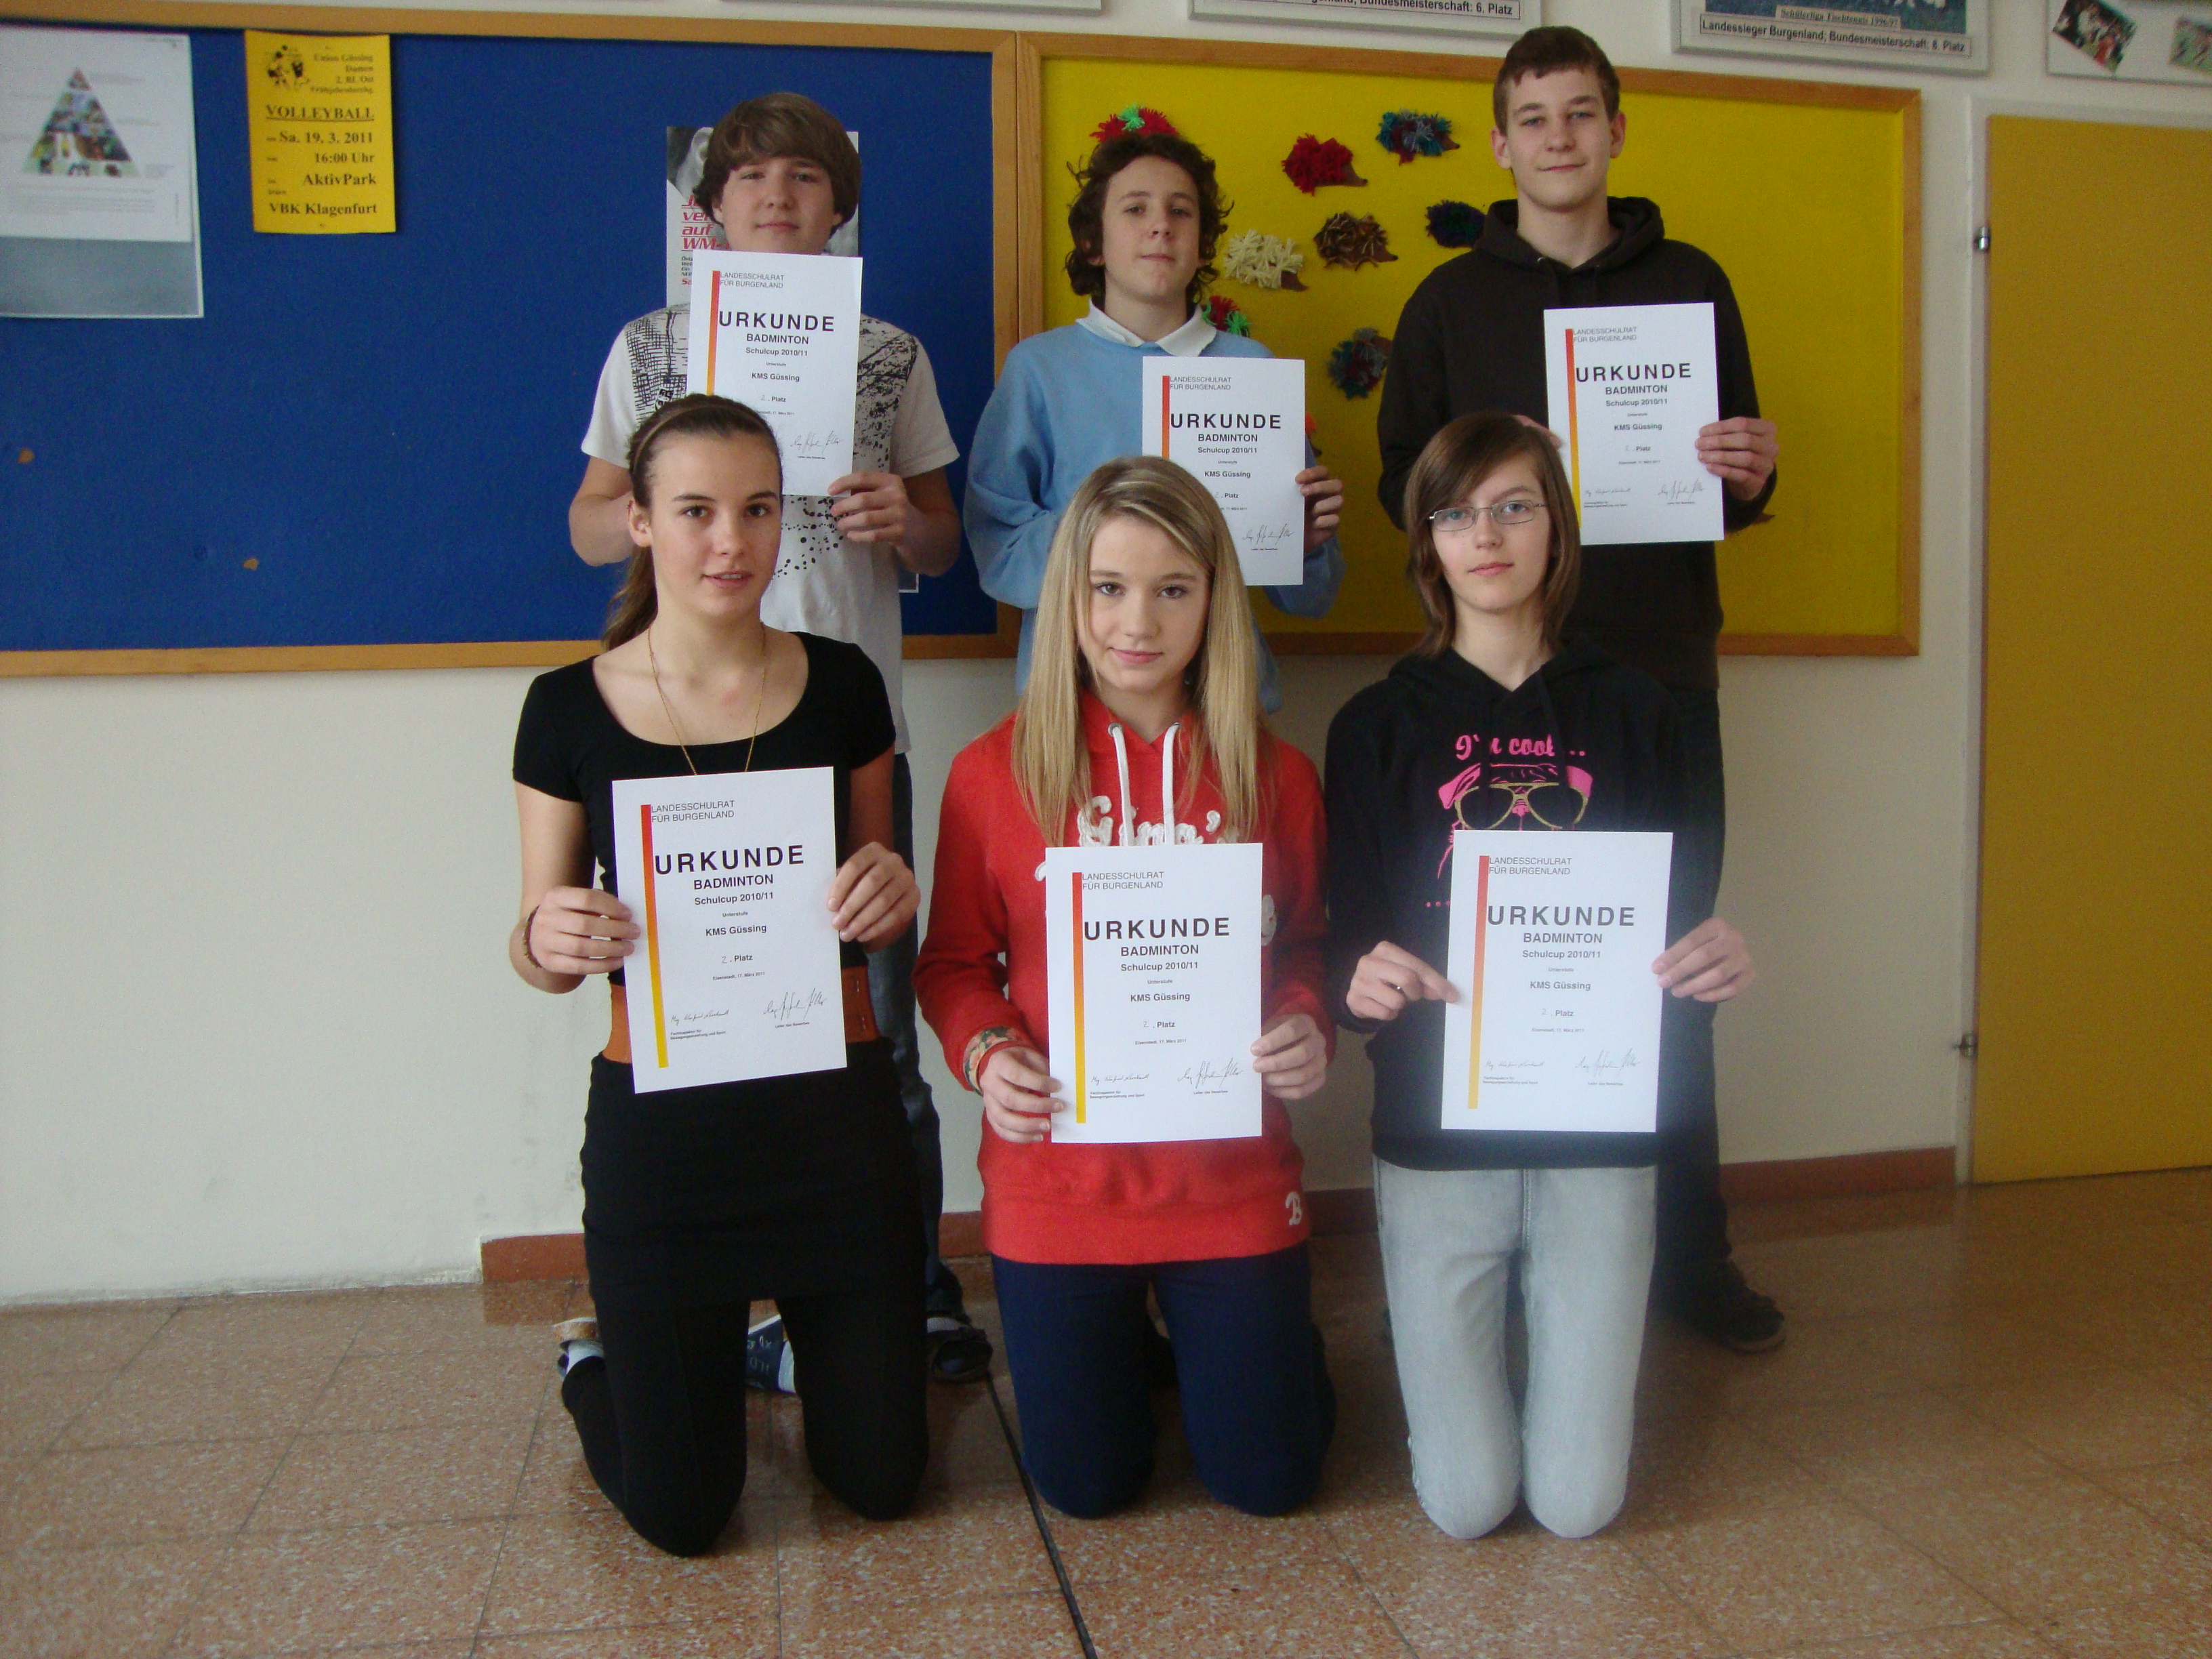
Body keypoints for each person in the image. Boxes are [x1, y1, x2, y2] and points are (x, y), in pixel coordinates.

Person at [1372, 25, 1784, 1353]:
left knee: (1669, 957)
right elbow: (1398, 487)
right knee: (1484, 955)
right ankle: (1509, 1256)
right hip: (1490, 685)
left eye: (1580, 112)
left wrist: (1749, 470)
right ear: (1500, 144)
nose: (1558, 136)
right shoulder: (1446, 302)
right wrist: (1499, 489)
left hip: (1653, 670)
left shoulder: (1691, 280)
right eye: (1533, 117)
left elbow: (1733, 475)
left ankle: (1688, 1253)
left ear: (1615, 129)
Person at [567, 91, 988, 1381]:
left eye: (803, 178)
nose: (776, 197)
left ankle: (909, 1291)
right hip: (679, 731)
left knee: (874, 1030)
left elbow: (943, 540)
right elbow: (585, 521)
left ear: (837, 206)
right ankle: (706, 1300)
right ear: (710, 207)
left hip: (847, 727)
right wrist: (670, 505)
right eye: (750, 178)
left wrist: (899, 520)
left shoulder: (889, 353)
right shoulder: (650, 348)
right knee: (697, 1022)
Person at [1326, 413, 1756, 1538]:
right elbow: (1344, 937)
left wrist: (1713, 954)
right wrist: (1353, 978)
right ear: (1427, 544)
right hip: (1434, 1130)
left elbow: (1677, 924)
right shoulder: (1374, 725)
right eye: (1456, 513)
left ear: (1556, 530)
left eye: (1514, 507)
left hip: (1596, 1132)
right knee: (1467, 1503)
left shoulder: (1644, 712)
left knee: (1576, 1505)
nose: (1486, 535)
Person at [514, 395, 929, 1553]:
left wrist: (892, 889)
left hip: (833, 1122)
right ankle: (595, 1365)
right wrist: (547, 938)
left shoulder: (844, 683)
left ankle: (760, 1361)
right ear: (641, 521)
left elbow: (881, 897)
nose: (730, 541)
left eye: (757, 509)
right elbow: (535, 951)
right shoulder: (564, 707)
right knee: (684, 1515)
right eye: (695, 510)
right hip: (665, 1137)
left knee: (883, 1480)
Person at [916, 455, 1337, 1518]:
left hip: (1230, 1183)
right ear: (1071, 596)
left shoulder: (1277, 775)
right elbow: (953, 964)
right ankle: (1156, 1352)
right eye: (1109, 587)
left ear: (1215, 601)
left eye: (1172, 589)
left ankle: (1245, 1347)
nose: (1136, 622)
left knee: (1270, 1482)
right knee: (1087, 1488)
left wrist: (1304, 1021)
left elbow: (1305, 948)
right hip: (1060, 1187)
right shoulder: (992, 772)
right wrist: (987, 1053)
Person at [964, 123, 1345, 712]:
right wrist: (1123, 534)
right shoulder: (1040, 369)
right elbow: (999, 549)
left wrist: (1303, 544)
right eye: (1136, 209)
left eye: (1180, 211)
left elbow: (1310, 600)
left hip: (1220, 706)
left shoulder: (1252, 368)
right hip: (1077, 703)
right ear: (1094, 243)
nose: (1161, 225)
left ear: (1203, 244)